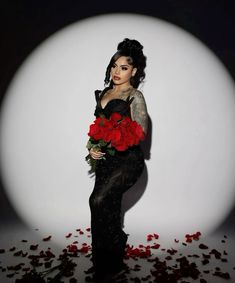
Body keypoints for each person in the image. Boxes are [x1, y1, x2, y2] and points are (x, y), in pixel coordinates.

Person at [88, 38, 148, 282]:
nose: (116, 71)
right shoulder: (104, 93)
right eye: (114, 65)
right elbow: (96, 129)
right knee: (106, 206)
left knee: (98, 200)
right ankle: (106, 265)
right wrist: (94, 147)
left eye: (124, 67)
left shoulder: (135, 96)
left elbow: (140, 132)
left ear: (133, 71)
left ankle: (116, 245)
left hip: (128, 160)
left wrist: (115, 136)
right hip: (106, 159)